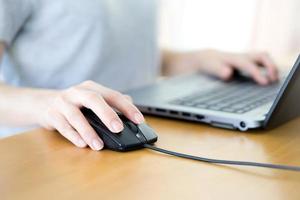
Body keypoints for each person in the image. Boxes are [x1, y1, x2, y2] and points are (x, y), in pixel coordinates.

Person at [0, 0, 278, 150]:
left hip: (138, 132)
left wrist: (199, 59)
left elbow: (123, 52)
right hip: (47, 150)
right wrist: (49, 104)